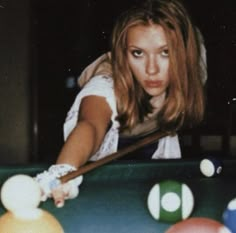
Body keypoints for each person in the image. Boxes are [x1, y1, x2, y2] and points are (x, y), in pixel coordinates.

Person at [35, 0, 206, 207]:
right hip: (100, 151)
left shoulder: (194, 68)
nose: (152, 69)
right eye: (138, 53)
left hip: (151, 143)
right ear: (123, 55)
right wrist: (63, 172)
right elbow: (90, 125)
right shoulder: (105, 84)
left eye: (165, 52)